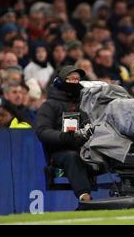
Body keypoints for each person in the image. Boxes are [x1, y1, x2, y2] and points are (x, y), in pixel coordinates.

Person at [36, 65, 94, 202]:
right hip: (60, 152)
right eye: (70, 78)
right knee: (72, 156)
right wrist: (64, 137)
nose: (75, 81)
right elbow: (42, 131)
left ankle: (129, 188)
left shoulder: (85, 103)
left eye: (77, 79)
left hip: (85, 148)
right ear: (60, 81)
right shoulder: (49, 105)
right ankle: (85, 196)